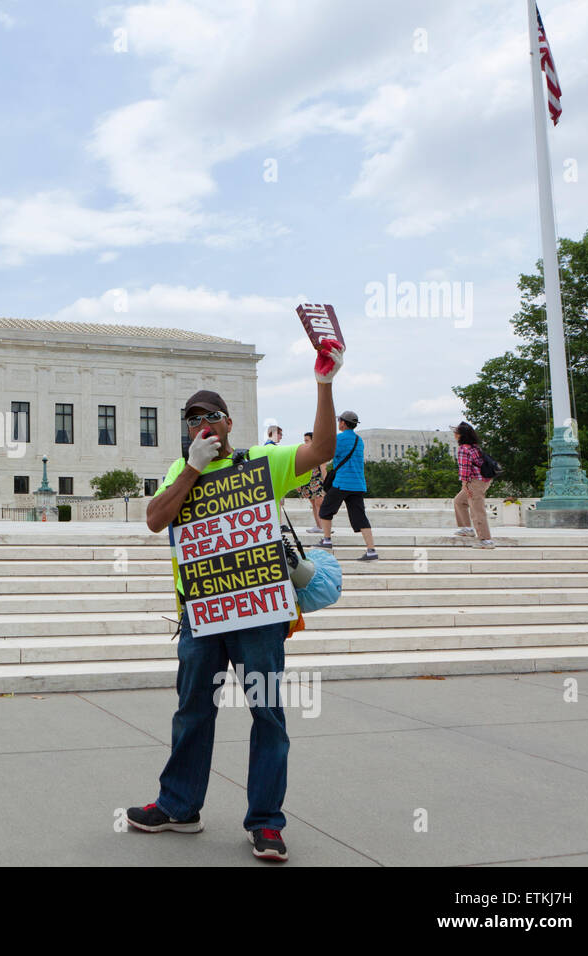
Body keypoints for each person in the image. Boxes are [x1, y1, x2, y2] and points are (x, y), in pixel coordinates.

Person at [124, 339, 343, 863]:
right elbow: (155, 520)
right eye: (192, 418)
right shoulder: (180, 472)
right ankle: (180, 808)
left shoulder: (262, 462)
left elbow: (323, 451)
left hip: (259, 616)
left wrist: (325, 383)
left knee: (267, 713)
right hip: (201, 616)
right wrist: (193, 469)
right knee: (192, 712)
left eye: (212, 416)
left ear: (229, 423)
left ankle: (266, 822)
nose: (203, 423)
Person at [315, 411, 377, 561]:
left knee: (325, 510)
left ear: (343, 423)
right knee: (360, 517)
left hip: (342, 482)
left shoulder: (339, 439)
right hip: (357, 484)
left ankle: (327, 540)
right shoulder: (359, 440)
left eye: (339, 421)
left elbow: (328, 454)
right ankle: (371, 550)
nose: (338, 423)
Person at [452, 422, 495, 549]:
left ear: (461, 435)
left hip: (474, 482)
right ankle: (466, 528)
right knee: (459, 501)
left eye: (456, 433)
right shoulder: (474, 447)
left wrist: (464, 484)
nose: (454, 435)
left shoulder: (463, 449)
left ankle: (486, 540)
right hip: (483, 480)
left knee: (477, 510)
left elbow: (465, 469)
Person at [297, 431, 327, 534]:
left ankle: (323, 527)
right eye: (304, 440)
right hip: (308, 482)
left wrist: (326, 482)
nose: (305, 443)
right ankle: (319, 526)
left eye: (307, 440)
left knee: (319, 504)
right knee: (314, 504)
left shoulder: (320, 452)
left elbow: (323, 468)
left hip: (318, 481)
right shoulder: (304, 453)